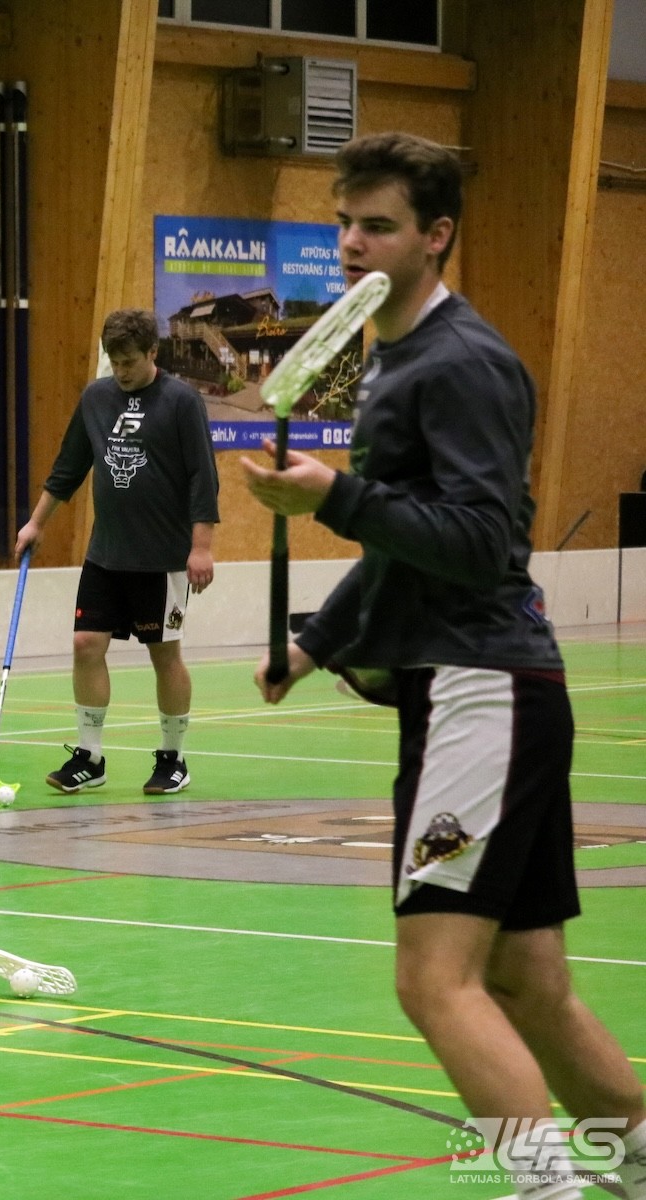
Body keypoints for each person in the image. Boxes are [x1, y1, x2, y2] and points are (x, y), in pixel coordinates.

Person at [243, 131, 645, 1200]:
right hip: (481, 691)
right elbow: (403, 543)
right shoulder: (395, 355)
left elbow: (478, 541)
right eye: (344, 223)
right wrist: (316, 643)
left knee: (433, 980)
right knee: (527, 981)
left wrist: (334, 495)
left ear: (436, 235)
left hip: (484, 692)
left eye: (377, 226)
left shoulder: (462, 362)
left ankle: (547, 1188)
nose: (351, 244)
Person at [15, 308, 218, 796]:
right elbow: (68, 468)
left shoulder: (181, 401)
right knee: (86, 645)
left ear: (153, 352)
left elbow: (202, 477)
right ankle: (90, 757)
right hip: (105, 553)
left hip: (162, 557)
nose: (121, 370)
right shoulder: (96, 398)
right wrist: (36, 523)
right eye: (115, 361)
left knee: (164, 653)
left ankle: (173, 758)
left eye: (130, 361)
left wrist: (202, 547)